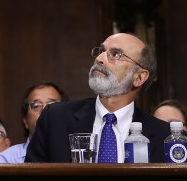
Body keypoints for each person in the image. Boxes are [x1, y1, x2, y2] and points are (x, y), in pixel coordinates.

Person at [25, 32, 170, 162]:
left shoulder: (164, 136)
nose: (99, 59)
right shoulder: (55, 119)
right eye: (101, 51)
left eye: (115, 54)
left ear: (139, 77)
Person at [0, 81, 66, 163]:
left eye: (52, 105)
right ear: (25, 121)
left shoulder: (78, 155)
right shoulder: (6, 161)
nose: (45, 110)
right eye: (36, 106)